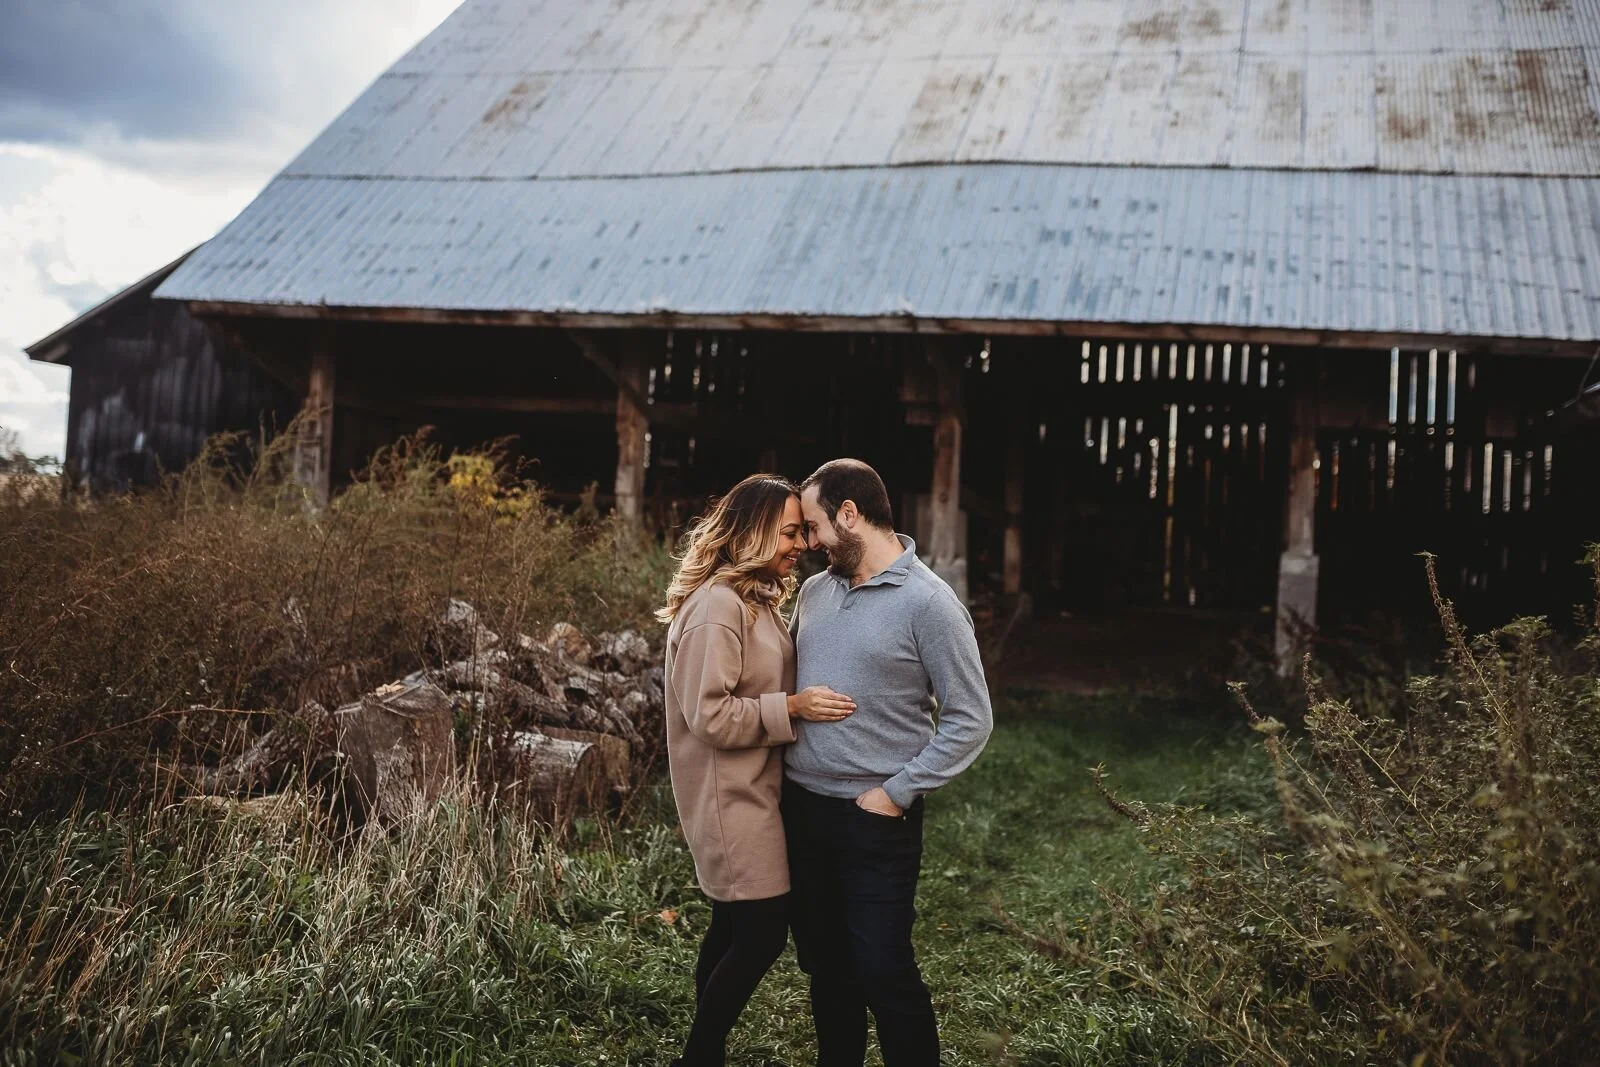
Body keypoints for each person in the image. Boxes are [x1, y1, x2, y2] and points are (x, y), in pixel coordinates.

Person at [783, 458, 993, 1067]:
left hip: (875, 818)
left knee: (883, 967)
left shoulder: (930, 603)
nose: (810, 543)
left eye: (815, 527)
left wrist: (897, 792)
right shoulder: (815, 593)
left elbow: (971, 718)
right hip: (802, 809)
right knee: (826, 966)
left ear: (849, 515)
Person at [658, 473, 857, 1067]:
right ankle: (699, 1055)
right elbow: (709, 716)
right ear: (753, 530)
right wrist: (791, 708)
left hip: (757, 791)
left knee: (730, 928)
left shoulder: (753, 599)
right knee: (763, 931)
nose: (801, 545)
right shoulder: (718, 607)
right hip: (729, 798)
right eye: (790, 533)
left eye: (802, 532)